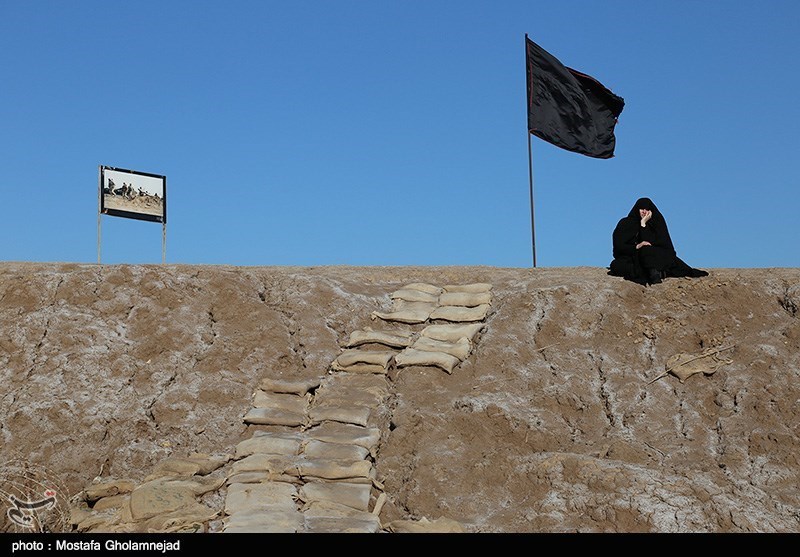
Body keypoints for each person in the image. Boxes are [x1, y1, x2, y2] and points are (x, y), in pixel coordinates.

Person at [608, 197, 709, 286]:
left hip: (652, 255)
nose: (644, 212)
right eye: (642, 209)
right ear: (636, 209)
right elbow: (618, 246)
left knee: (647, 251)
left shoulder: (656, 223)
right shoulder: (626, 223)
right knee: (616, 265)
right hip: (631, 257)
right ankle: (658, 273)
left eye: (647, 209)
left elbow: (661, 246)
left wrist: (643, 224)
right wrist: (636, 247)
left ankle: (654, 274)